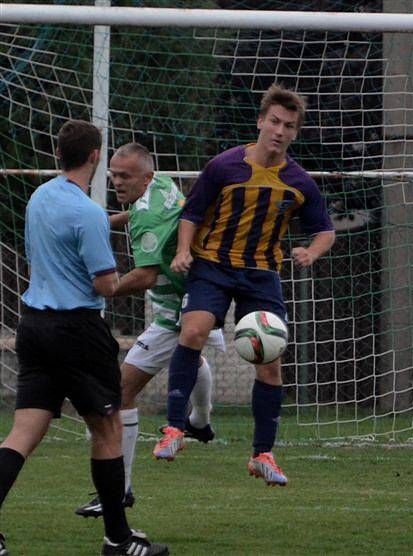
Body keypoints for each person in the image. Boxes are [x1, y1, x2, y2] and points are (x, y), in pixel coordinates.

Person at [152, 83, 335, 486]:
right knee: (194, 330)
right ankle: (173, 428)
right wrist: (184, 250)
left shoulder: (300, 182)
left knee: (270, 365)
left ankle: (263, 455)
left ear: (295, 132)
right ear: (260, 121)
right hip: (213, 265)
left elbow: (325, 230)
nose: (280, 130)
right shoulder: (224, 165)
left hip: (260, 275)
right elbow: (192, 212)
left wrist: (312, 252)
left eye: (289, 125)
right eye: (274, 121)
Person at [0, 121, 168, 555]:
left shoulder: (40, 198)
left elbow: (61, 240)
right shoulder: (88, 214)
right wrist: (155, 271)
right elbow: (107, 285)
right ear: (95, 157)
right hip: (77, 331)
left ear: (60, 154)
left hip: (33, 326)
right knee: (107, 429)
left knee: (22, 434)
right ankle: (118, 541)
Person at [74, 143, 225, 519]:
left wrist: (100, 289)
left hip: (178, 308)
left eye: (125, 176)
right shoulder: (162, 184)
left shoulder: (147, 215)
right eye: (113, 173)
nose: (116, 180)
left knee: (121, 391)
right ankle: (200, 423)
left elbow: (146, 275)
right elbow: (152, 214)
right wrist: (108, 220)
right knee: (191, 358)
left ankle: (118, 490)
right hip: (197, 296)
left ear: (145, 175)